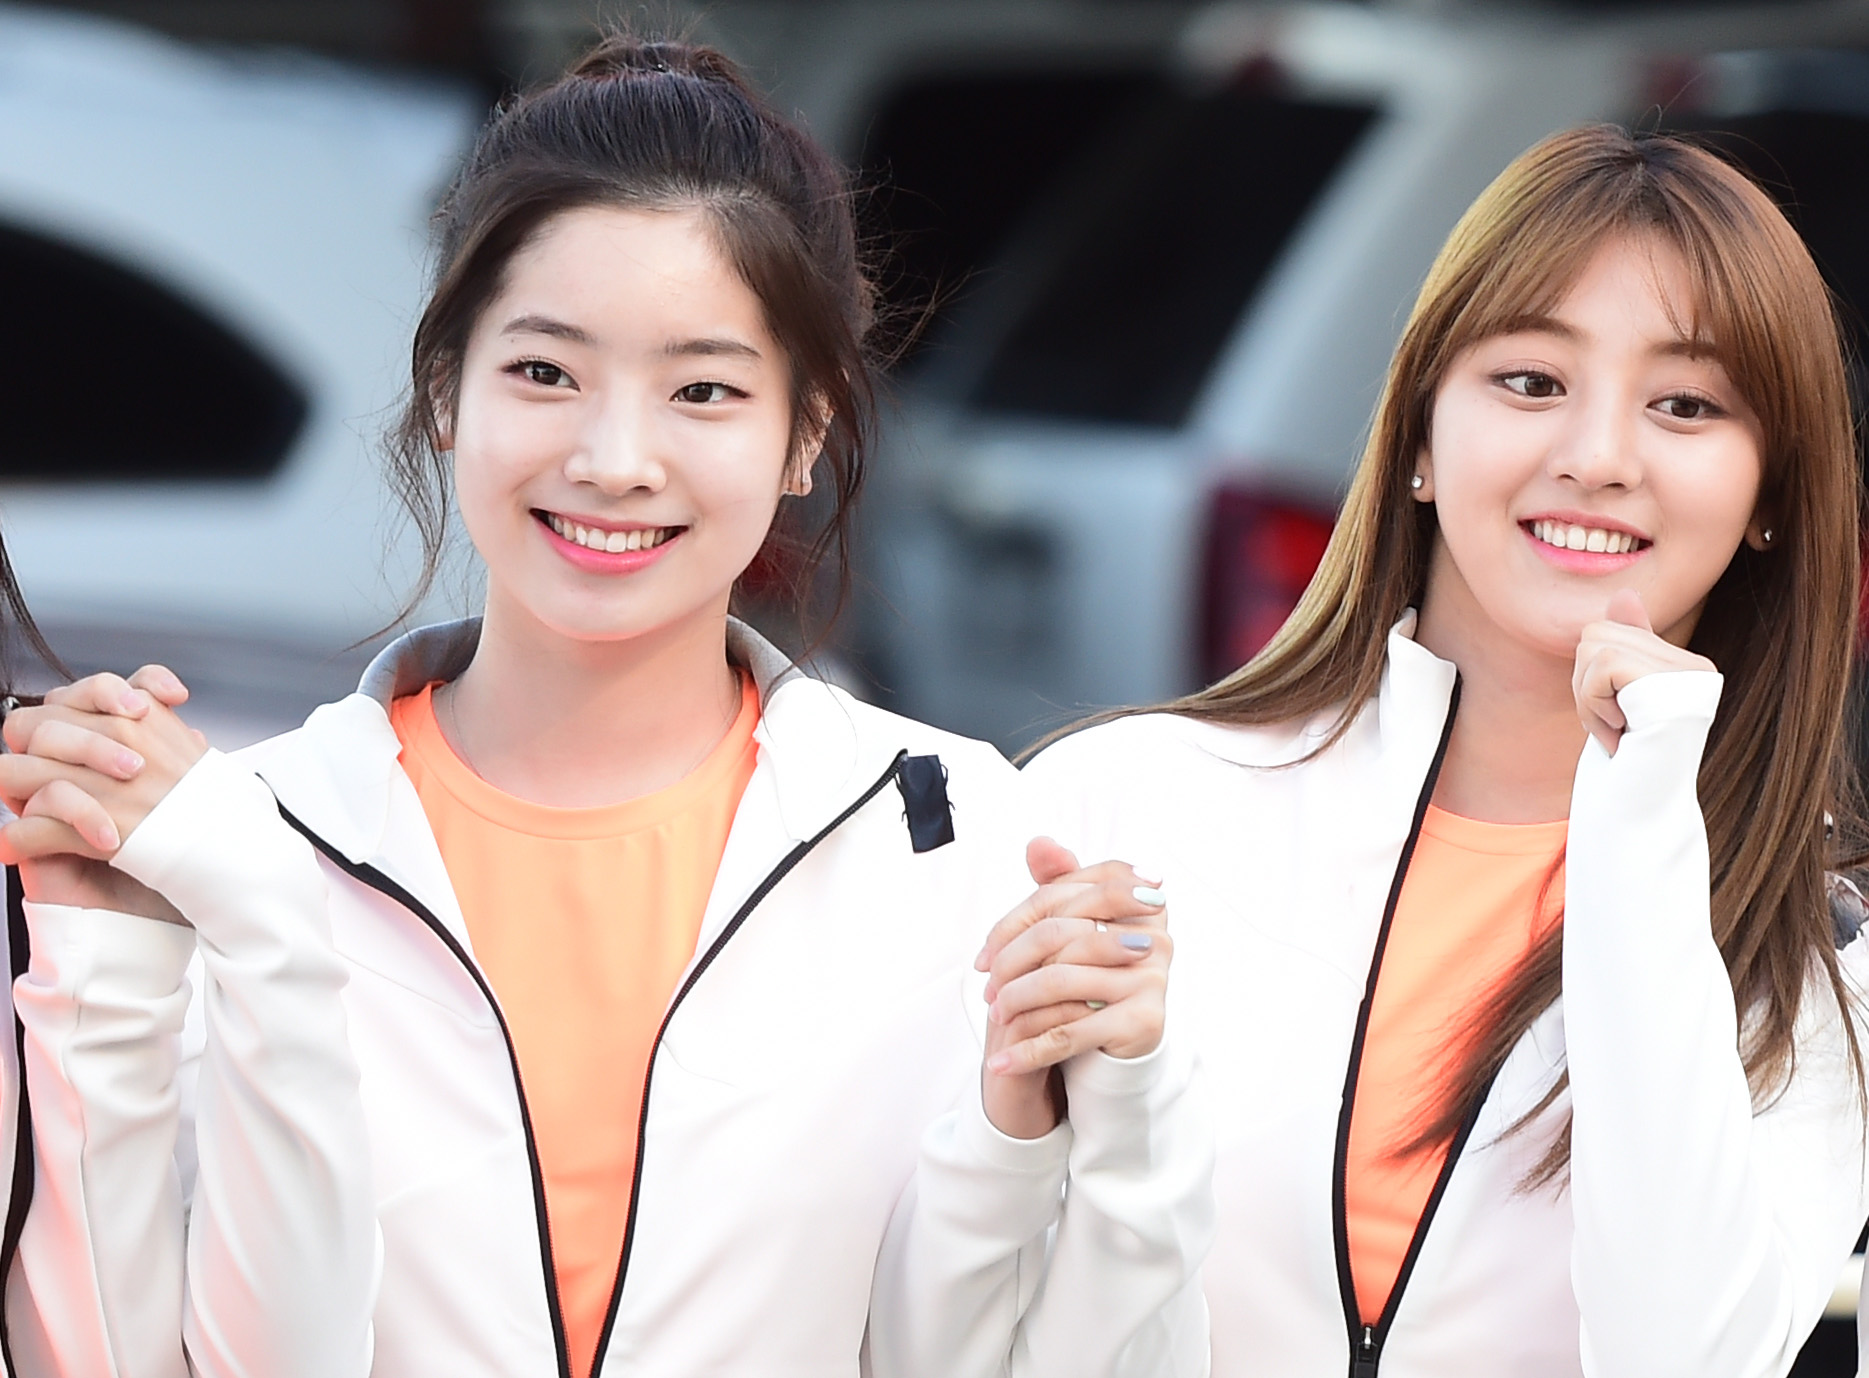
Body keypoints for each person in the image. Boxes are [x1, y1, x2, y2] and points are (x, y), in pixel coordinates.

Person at [0, 35, 1211, 1378]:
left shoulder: (952, 836)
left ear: (807, 427)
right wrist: (116, 957)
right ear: (446, 386)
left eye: (703, 390)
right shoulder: (241, 841)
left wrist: (1123, 1104)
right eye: (545, 372)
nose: (615, 459)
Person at [993, 124, 1869, 1376]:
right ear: (1416, 435)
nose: (1597, 457)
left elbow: (1682, 1355)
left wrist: (1645, 834)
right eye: (1532, 381)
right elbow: (954, 1307)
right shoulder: (1122, 806)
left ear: (1773, 492)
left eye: (1685, 405)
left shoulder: (1826, 962)